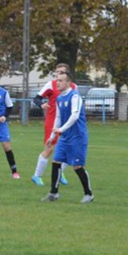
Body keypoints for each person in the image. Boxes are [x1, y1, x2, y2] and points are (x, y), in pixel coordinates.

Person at [42, 70, 94, 203]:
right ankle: (54, 193)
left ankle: (88, 194)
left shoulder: (75, 96)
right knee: (56, 162)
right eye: (56, 80)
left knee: (77, 166)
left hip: (77, 137)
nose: (57, 83)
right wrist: (53, 136)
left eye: (60, 80)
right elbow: (58, 117)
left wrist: (61, 129)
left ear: (68, 83)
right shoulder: (59, 98)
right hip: (65, 137)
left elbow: (75, 116)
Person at [31, 63, 75, 186]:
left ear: (67, 75)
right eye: (57, 72)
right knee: (50, 148)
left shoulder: (73, 88)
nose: (58, 75)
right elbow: (36, 98)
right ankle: (37, 175)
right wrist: (42, 105)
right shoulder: (51, 84)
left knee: (70, 149)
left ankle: (60, 172)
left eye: (61, 72)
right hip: (52, 122)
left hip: (67, 124)